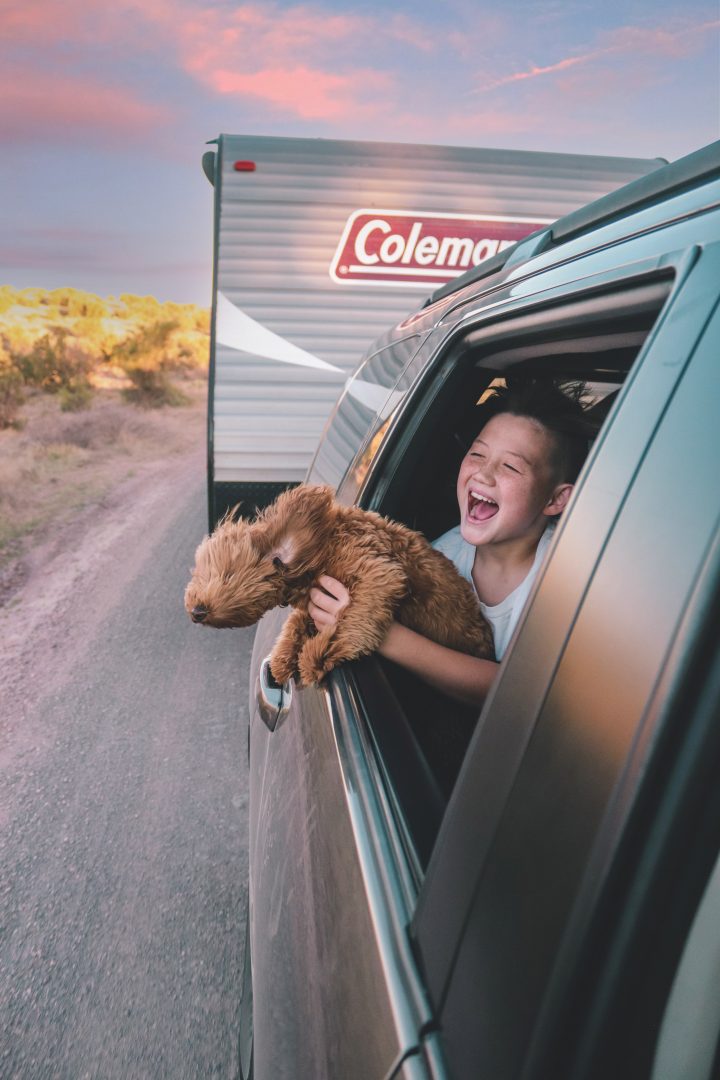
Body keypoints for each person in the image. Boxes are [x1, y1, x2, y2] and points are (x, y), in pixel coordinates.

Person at [309, 380, 593, 709]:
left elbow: (518, 695)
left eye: (510, 466)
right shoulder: (445, 553)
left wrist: (383, 635)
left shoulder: (565, 584)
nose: (483, 474)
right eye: (477, 454)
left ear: (556, 500)